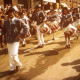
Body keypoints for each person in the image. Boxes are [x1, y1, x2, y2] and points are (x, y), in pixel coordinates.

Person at [3, 7, 28, 73]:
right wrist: (3, 37)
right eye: (9, 13)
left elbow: (26, 28)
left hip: (15, 40)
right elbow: (3, 31)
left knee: (13, 54)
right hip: (8, 40)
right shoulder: (5, 22)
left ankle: (18, 64)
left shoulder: (18, 20)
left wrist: (21, 34)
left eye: (11, 12)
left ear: (14, 13)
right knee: (10, 55)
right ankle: (12, 68)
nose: (10, 14)